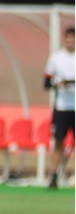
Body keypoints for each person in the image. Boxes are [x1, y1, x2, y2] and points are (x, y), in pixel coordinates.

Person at [44, 27, 75, 189]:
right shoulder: (56, 58)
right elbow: (46, 83)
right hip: (61, 107)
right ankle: (54, 176)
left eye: (73, 39)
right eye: (68, 39)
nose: (71, 42)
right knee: (58, 141)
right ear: (64, 39)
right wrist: (58, 84)